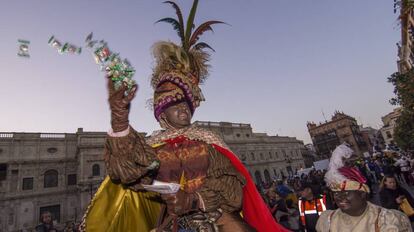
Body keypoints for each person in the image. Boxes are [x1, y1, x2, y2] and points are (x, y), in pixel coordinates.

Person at [80, 1, 287, 231]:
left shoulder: (208, 143)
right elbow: (126, 173)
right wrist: (119, 118)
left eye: (187, 104)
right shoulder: (153, 149)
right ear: (162, 113)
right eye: (175, 104)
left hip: (218, 223)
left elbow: (232, 187)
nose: (183, 109)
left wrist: (194, 199)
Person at [316, 144, 412, 232]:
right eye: (336, 193)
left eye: (346, 193)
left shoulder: (388, 221)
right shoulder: (327, 221)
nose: (339, 197)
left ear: (362, 193)